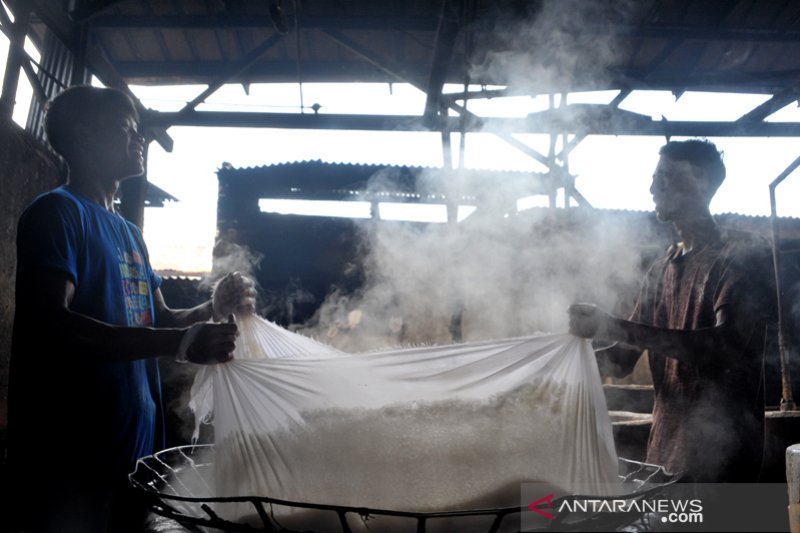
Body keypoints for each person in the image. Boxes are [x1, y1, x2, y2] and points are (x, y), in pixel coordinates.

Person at [6, 85, 256, 533]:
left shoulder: (129, 233)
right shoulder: (57, 214)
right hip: (70, 456)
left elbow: (159, 319)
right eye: (126, 130)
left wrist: (211, 306)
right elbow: (53, 325)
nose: (138, 140)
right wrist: (181, 342)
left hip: (133, 453)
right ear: (84, 137)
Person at [568, 139, 776, 483]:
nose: (652, 187)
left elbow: (723, 347)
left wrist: (612, 325)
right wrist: (557, 363)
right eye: (654, 177)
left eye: (664, 176)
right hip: (664, 456)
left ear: (701, 181)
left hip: (723, 460)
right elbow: (622, 360)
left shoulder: (742, 255)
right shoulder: (664, 266)